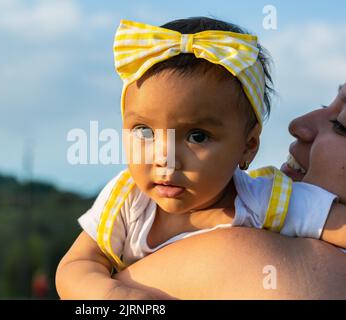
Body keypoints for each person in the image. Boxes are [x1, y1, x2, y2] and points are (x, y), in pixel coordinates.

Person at [55, 17, 346, 299]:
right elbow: (76, 266)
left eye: (197, 136)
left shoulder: (266, 200)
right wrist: (109, 294)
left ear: (248, 146)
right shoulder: (127, 201)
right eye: (144, 131)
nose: (165, 157)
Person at [114, 83, 346, 299]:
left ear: (249, 145)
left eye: (341, 125)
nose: (297, 125)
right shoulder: (130, 203)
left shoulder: (254, 257)